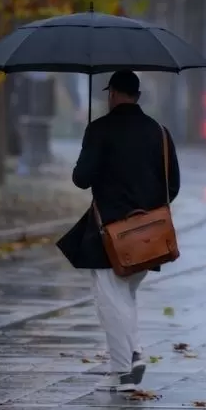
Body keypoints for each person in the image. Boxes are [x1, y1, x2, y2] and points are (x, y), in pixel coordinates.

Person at [57, 70, 181, 393]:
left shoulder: (99, 130)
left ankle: (127, 367)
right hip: (149, 238)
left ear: (112, 93)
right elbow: (174, 186)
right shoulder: (160, 132)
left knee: (110, 301)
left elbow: (81, 179)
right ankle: (127, 360)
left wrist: (87, 151)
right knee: (123, 298)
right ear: (138, 95)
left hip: (110, 237)